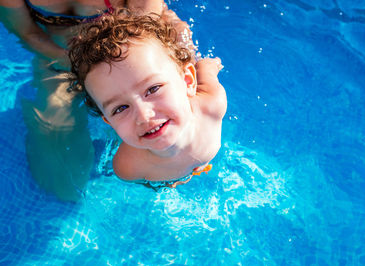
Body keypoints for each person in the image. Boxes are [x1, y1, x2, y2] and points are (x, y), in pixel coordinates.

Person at [0, 0, 192, 200]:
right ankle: (71, 204)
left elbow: (145, 22)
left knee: (167, 108)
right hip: (59, 55)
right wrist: (76, 65)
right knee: (53, 127)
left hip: (133, 45)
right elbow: (28, 33)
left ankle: (170, 165)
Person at [68, 9, 227, 188]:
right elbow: (148, 183)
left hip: (188, 69)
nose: (144, 116)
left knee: (184, 46)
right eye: (120, 108)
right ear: (109, 122)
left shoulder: (213, 105)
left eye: (153, 89)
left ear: (188, 82)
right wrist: (166, 182)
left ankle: (172, 21)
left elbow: (204, 70)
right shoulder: (128, 167)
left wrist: (211, 65)